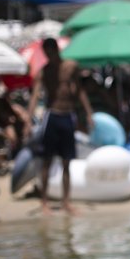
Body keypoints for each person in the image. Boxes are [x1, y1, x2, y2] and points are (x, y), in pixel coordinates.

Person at [24, 38, 93, 215]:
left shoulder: (71, 66)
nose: (49, 56)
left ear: (56, 50)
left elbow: (79, 90)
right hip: (52, 116)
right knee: (47, 160)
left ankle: (66, 202)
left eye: (51, 52)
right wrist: (28, 121)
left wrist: (88, 113)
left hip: (68, 115)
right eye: (46, 53)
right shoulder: (44, 71)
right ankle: (44, 202)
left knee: (66, 161)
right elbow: (35, 96)